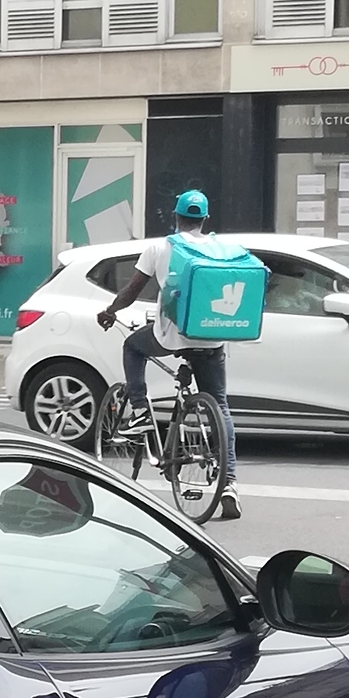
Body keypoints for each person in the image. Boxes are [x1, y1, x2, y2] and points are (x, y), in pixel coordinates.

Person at [98, 188, 242, 521]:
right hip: (212, 337)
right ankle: (230, 482)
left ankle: (139, 411)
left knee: (133, 346)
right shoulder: (222, 248)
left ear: (175, 217)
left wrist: (109, 310)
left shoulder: (160, 247)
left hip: (172, 336)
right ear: (205, 219)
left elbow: (131, 292)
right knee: (219, 405)